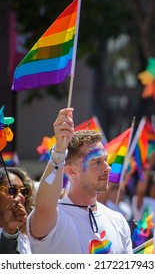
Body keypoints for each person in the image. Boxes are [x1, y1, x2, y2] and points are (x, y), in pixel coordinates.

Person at [27, 108, 133, 254]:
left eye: (105, 160)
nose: (107, 168)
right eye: (96, 162)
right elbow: (44, 208)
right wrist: (59, 151)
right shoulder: (54, 218)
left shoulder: (118, 221)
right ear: (70, 171)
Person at [0, 166, 36, 253]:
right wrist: (9, 233)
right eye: (12, 190)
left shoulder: (29, 237)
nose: (20, 197)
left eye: (24, 191)